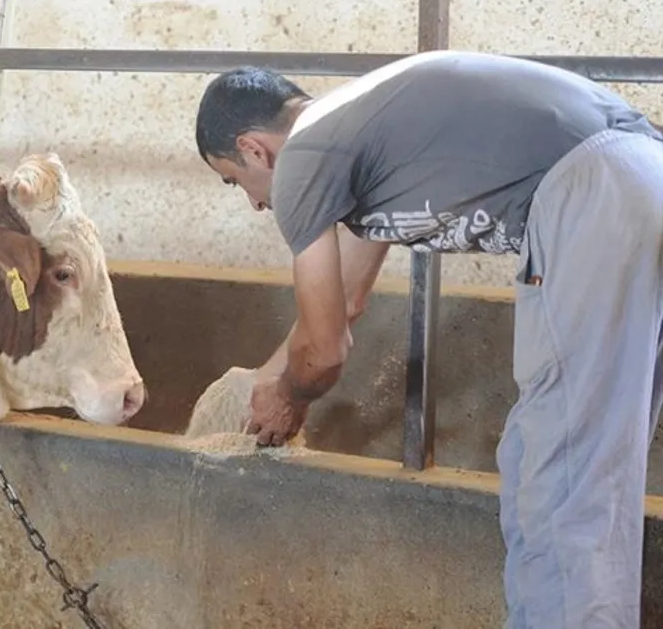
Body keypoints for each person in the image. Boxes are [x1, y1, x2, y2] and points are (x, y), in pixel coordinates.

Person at [192, 50, 663, 629]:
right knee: (569, 463)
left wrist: (289, 396)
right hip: (639, 175)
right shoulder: (358, 128)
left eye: (236, 182)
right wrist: (264, 380)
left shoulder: (305, 159)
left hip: (598, 193)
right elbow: (346, 305)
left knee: (562, 479)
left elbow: (324, 353)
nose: (257, 202)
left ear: (252, 149)